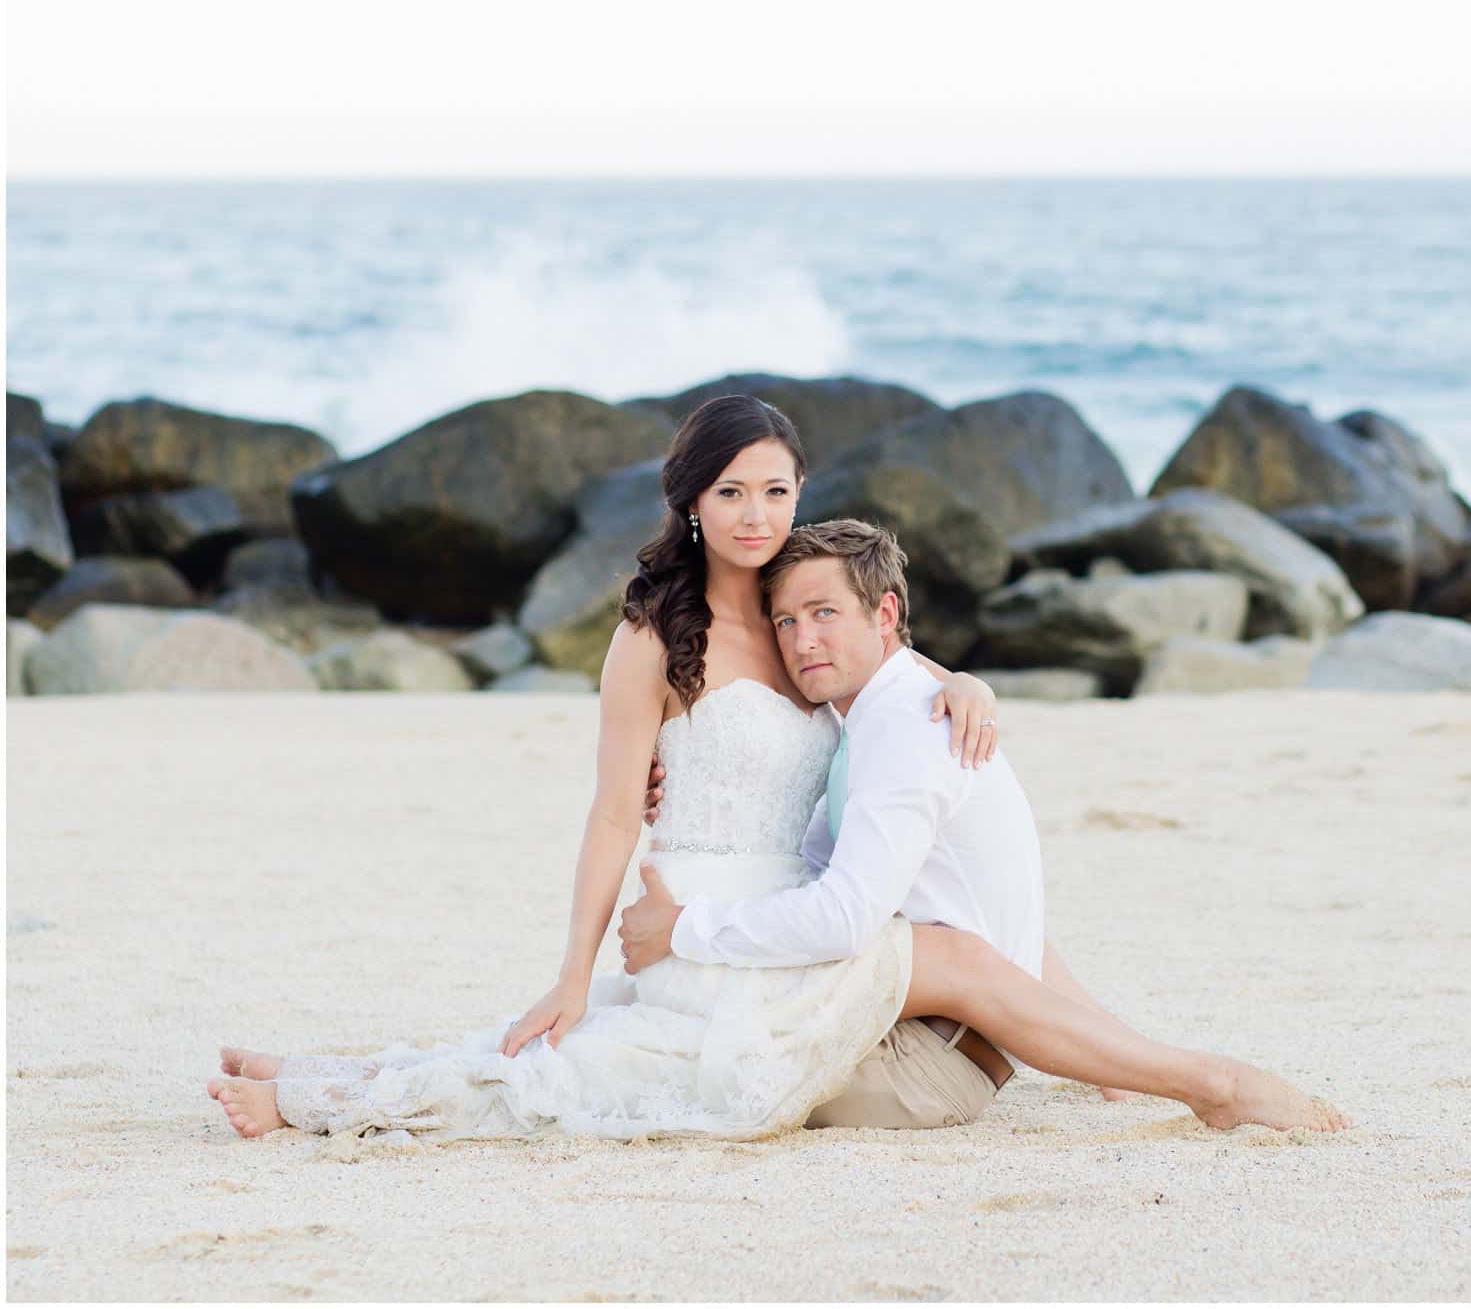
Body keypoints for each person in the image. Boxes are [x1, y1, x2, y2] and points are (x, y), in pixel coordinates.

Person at [207, 395, 1000, 1141]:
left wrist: (966, 681)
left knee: (603, 1056)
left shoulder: (803, 620)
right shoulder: (653, 635)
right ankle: (308, 1100)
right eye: (730, 493)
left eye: (775, 490)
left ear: (800, 493)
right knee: (580, 1072)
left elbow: (890, 664)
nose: (755, 516)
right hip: (693, 917)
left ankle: (328, 1074)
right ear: (693, 501)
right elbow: (617, 812)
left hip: (784, 921)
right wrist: (572, 975)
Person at [622, 518, 1348, 1134]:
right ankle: (1126, 1062)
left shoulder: (905, 730)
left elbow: (844, 918)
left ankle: (1205, 1081)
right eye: (785, 620)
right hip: (956, 1031)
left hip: (926, 1064)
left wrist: (686, 926)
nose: (802, 638)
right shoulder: (886, 713)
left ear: (883, 615)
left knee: (681, 1058)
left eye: (823, 613)